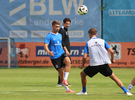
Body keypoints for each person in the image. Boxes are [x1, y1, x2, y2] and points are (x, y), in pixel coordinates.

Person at [76, 28, 132, 96]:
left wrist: (82, 65)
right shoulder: (102, 41)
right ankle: (126, 91)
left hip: (94, 65)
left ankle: (84, 91)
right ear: (96, 34)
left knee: (82, 74)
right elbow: (111, 51)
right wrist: (112, 60)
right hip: (104, 65)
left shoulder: (88, 43)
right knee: (114, 77)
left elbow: (84, 57)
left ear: (89, 35)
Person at [44, 20, 75, 93]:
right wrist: (48, 51)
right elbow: (45, 45)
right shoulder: (49, 36)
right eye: (56, 27)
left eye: (58, 26)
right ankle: (67, 89)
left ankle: (65, 79)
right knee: (61, 72)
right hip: (55, 57)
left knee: (68, 61)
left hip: (61, 53)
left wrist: (66, 50)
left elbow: (62, 44)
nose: (57, 28)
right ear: (52, 26)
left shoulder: (59, 35)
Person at [56, 18, 71, 86]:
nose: (68, 25)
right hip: (63, 51)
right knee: (65, 65)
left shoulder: (65, 30)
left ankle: (61, 81)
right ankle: (62, 81)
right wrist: (66, 50)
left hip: (64, 51)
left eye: (69, 24)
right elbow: (61, 42)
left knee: (63, 66)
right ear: (63, 23)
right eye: (66, 24)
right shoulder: (62, 31)